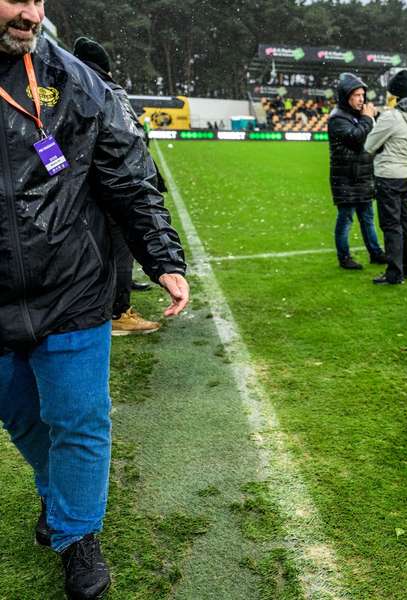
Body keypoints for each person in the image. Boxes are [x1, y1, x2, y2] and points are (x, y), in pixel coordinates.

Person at [0, 2, 190, 598]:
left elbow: (127, 175)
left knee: (80, 419)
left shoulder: (75, 82)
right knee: (23, 417)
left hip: (73, 285)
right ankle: (59, 498)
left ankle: (79, 537)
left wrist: (161, 257)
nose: (30, 12)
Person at [73, 37, 161, 336]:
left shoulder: (65, 85)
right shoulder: (107, 90)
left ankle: (104, 302)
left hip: (79, 190)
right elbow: (127, 143)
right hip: (111, 185)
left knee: (96, 249)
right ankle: (118, 312)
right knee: (120, 246)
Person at [364, 69, 407, 284]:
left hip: (388, 176)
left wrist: (371, 120)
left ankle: (394, 272)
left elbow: (369, 145)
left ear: (393, 95)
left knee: (391, 225)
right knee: (404, 221)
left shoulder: (391, 116)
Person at [327, 72, 387, 270]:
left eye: (363, 95)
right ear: (346, 97)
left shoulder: (357, 116)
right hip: (345, 178)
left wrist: (372, 120)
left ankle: (376, 253)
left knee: (368, 218)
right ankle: (344, 258)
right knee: (345, 219)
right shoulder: (337, 118)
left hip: (362, 176)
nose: (361, 99)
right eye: (356, 95)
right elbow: (355, 138)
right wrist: (368, 119)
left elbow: (371, 142)